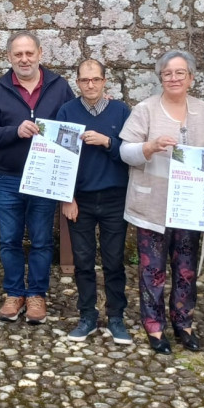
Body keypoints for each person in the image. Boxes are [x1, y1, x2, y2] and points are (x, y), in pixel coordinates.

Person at [119, 49, 204, 354]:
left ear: (191, 78)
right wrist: (149, 147)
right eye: (167, 74)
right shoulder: (145, 109)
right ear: (161, 78)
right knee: (153, 269)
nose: (173, 78)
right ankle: (154, 325)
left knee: (186, 268)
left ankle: (184, 321)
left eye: (180, 73)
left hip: (190, 204)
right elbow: (125, 152)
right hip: (153, 204)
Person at [0, 31, 75, 325]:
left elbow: (74, 124)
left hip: (44, 178)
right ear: (9, 57)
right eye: (18, 54)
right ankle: (13, 293)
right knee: (8, 240)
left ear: (40, 53)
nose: (24, 59)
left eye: (29, 53)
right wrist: (14, 131)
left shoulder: (59, 87)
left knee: (42, 240)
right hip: (7, 178)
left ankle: (36, 294)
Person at [57, 59, 131, 344]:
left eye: (95, 80)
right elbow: (61, 157)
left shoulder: (121, 111)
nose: (90, 85)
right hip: (81, 199)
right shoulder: (67, 111)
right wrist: (67, 197)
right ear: (78, 82)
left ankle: (116, 317)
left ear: (104, 81)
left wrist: (108, 142)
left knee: (114, 262)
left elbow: (131, 152)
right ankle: (87, 315)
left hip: (114, 197)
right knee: (83, 261)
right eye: (85, 80)